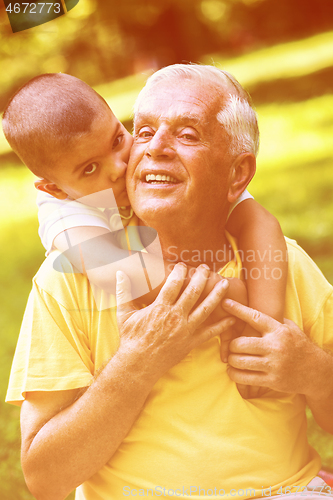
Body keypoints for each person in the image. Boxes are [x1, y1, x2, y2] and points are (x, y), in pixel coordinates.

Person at [5, 64, 333, 500]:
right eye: (144, 131)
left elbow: (258, 219)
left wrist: (316, 374)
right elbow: (45, 481)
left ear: (237, 174)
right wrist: (137, 362)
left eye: (187, 134)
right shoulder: (69, 273)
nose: (154, 147)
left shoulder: (282, 262)